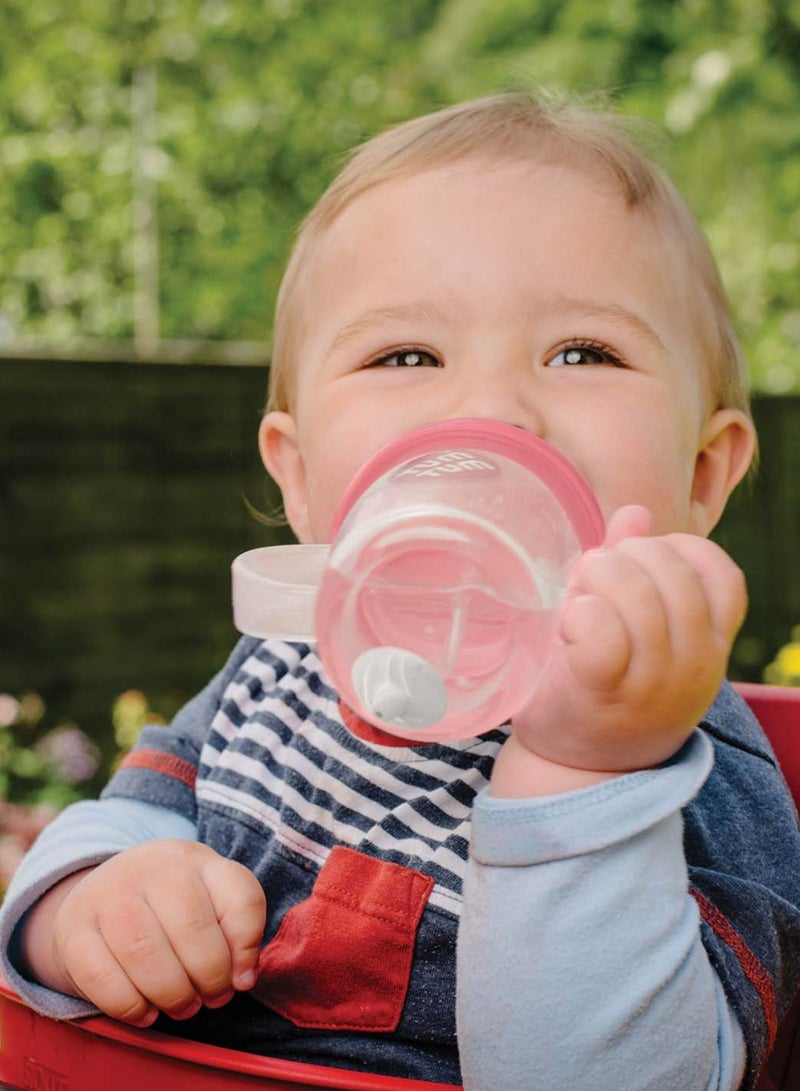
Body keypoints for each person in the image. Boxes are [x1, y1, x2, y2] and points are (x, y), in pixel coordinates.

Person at [2, 90, 799, 1091]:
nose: (492, 409)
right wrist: (92, 900)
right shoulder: (281, 666)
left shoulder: (677, 751)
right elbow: (135, 809)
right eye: (406, 355)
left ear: (700, 475)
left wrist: (584, 769)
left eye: (581, 352)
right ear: (297, 478)